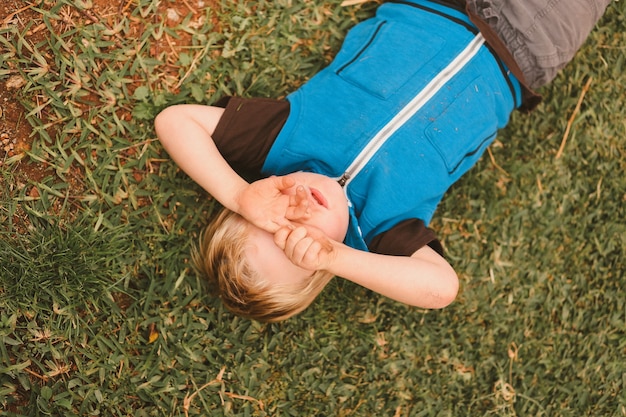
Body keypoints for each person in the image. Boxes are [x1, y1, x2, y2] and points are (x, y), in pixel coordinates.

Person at [155, 0, 611, 322]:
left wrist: (240, 195)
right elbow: (441, 289)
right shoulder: (382, 229)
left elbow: (175, 121)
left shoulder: (280, 144)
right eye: (303, 245)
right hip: (527, 45)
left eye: (273, 219)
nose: (297, 212)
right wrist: (337, 256)